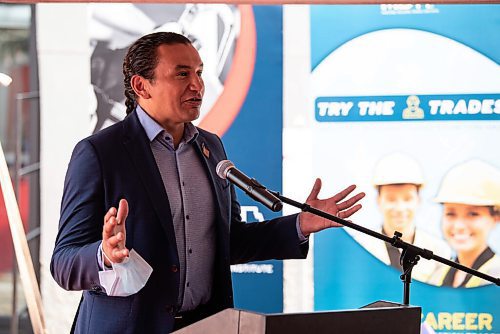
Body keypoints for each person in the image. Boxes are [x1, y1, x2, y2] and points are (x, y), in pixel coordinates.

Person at [50, 32, 365, 334]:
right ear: (141, 86)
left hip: (206, 325)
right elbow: (63, 263)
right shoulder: (99, 153)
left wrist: (300, 224)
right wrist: (104, 255)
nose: (198, 85)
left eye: (199, 72)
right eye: (182, 74)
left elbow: (230, 241)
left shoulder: (211, 147)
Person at [355, 152, 450, 283]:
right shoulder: (361, 247)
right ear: (378, 200)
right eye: (391, 199)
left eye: (407, 198)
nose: (400, 208)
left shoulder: (440, 251)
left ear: (419, 200)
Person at [431, 159, 500, 288]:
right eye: (451, 214)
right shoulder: (437, 277)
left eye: (473, 214)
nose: (459, 226)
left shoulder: (496, 275)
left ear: (496, 217)